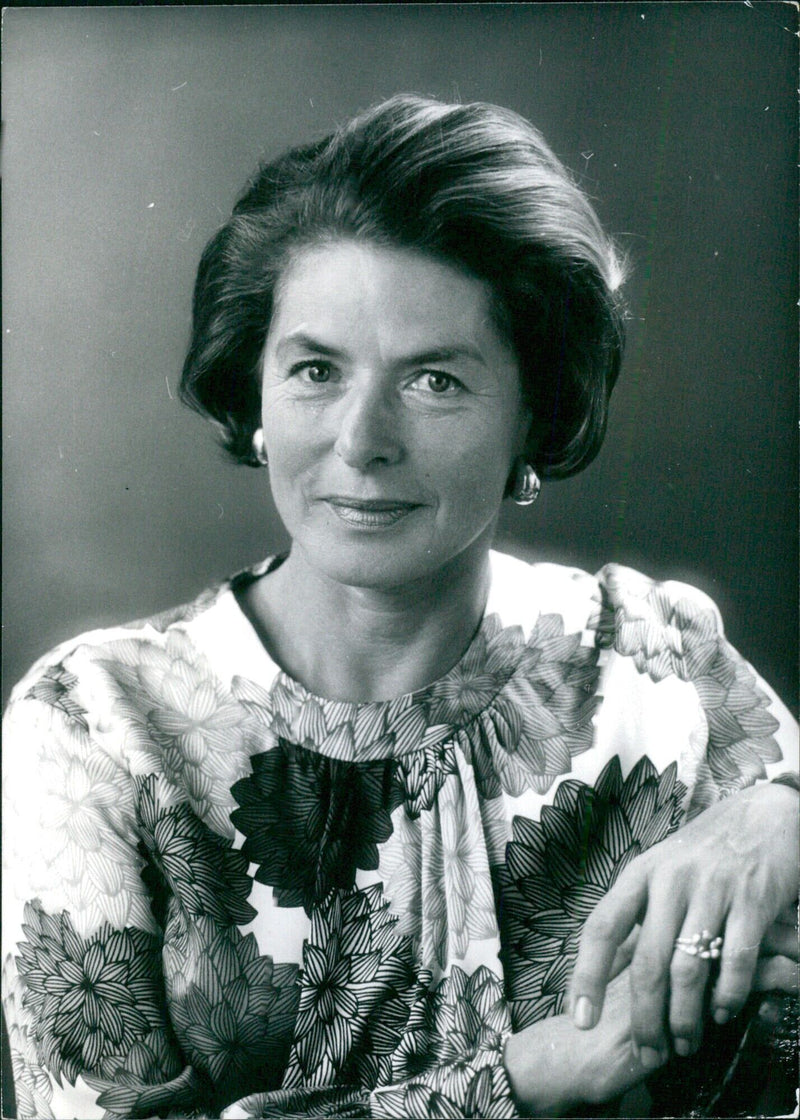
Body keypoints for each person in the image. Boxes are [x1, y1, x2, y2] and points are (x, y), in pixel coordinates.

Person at [2, 94, 797, 1120]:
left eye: (432, 380)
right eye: (315, 370)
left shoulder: (655, 666)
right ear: (253, 398)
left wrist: (780, 815)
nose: (360, 440)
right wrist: (529, 1077)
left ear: (533, 410)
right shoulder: (96, 727)